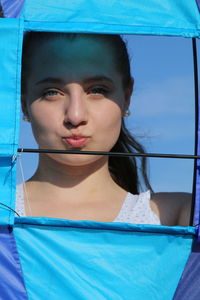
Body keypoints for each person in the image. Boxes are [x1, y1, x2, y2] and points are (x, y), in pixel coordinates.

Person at [16, 32, 191, 226]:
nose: (75, 116)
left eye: (97, 90)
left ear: (127, 97)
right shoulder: (4, 209)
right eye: (51, 93)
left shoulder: (175, 216)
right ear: (24, 103)